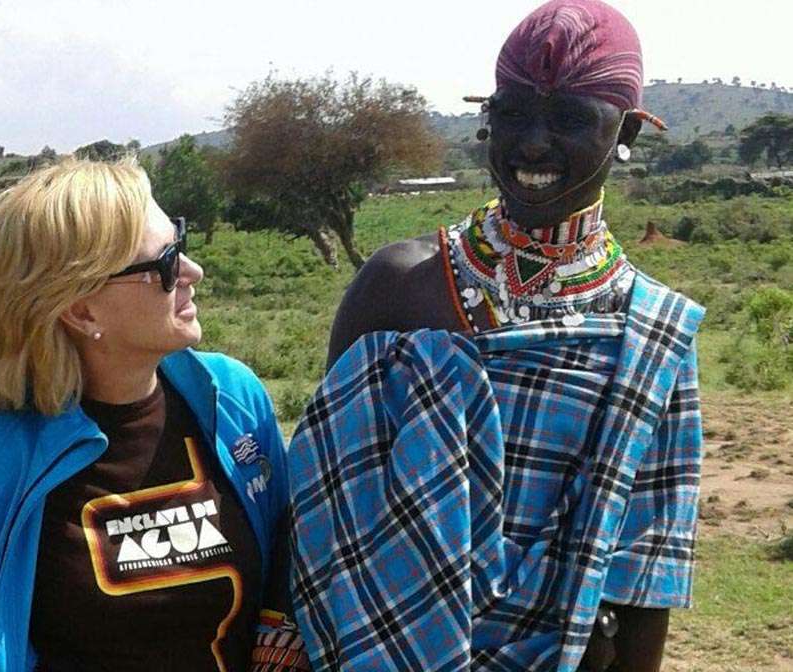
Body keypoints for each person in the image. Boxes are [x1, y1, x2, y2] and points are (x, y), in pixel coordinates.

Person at [288, 2, 703, 671]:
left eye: (570, 118)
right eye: (511, 114)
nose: (532, 144)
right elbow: (316, 508)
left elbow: (642, 580)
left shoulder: (653, 336)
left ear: (626, 131)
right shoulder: (396, 285)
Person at [0, 160, 310, 672]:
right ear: (82, 311)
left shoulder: (230, 398)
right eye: (165, 263)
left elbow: (285, 548)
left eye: (180, 244)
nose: (192, 273)